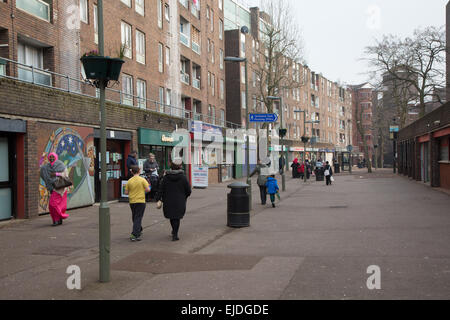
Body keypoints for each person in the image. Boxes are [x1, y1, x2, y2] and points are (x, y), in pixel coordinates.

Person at [157, 158, 192, 241]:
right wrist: (185, 196)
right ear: (179, 167)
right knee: (177, 217)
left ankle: (174, 231)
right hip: (179, 200)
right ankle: (175, 234)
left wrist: (159, 198)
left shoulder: (166, 178)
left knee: (172, 217)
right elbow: (188, 190)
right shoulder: (183, 177)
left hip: (168, 200)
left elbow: (161, 189)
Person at [40, 152, 70, 226]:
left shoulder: (61, 165)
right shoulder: (47, 166)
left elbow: (66, 175)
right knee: (52, 206)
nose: (51, 158)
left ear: (56, 157)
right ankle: (57, 220)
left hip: (60, 188)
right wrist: (41, 158)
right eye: (50, 157)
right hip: (52, 188)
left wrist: (56, 174)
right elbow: (40, 168)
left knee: (53, 204)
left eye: (53, 157)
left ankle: (60, 217)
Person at [125, 165, 150, 241]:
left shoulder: (129, 181)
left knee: (135, 216)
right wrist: (142, 191)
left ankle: (139, 229)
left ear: (132, 172)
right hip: (141, 201)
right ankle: (134, 234)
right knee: (138, 217)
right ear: (139, 171)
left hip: (132, 201)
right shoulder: (142, 180)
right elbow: (148, 189)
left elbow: (126, 192)